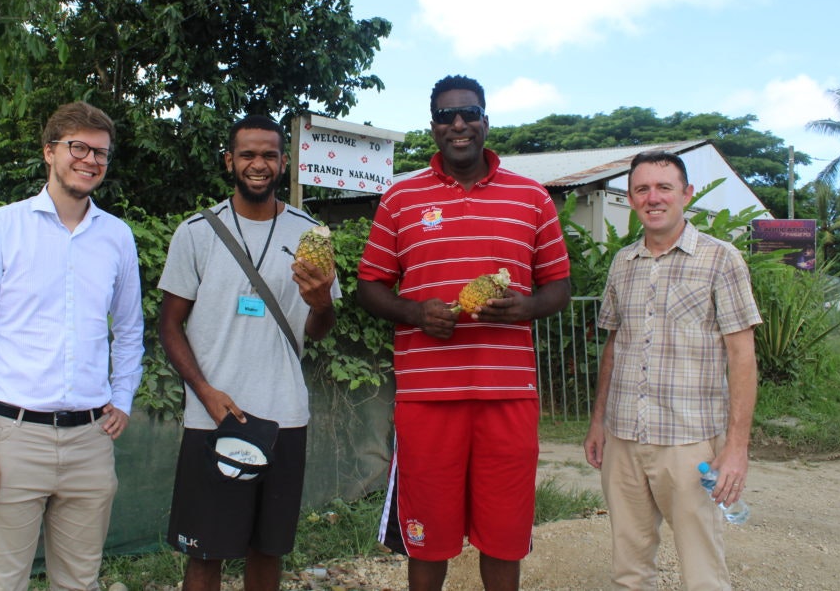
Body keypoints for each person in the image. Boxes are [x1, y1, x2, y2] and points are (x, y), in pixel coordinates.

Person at [356, 75, 572, 591]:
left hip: (508, 395)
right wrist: (415, 313)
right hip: (427, 397)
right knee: (427, 538)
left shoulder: (532, 197)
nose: (458, 124)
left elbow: (560, 287)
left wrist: (524, 307)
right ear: (433, 127)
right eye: (446, 116)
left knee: (504, 537)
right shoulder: (401, 198)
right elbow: (369, 286)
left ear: (485, 122)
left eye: (469, 113)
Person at [0, 101, 145, 590]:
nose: (90, 160)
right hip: (11, 439)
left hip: (91, 442)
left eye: (101, 153)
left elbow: (130, 329)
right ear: (49, 151)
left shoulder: (116, 237)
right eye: (79, 147)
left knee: (79, 581)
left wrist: (123, 396)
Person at [158, 115, 340, 591]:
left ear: (283, 163)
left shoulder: (311, 235)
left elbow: (319, 329)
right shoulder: (196, 233)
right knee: (205, 553)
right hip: (213, 416)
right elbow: (169, 324)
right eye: (247, 155)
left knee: (267, 549)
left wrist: (322, 304)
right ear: (229, 161)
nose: (258, 164)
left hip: (283, 416)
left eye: (269, 155)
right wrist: (204, 392)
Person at [582, 150, 762, 590]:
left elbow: (742, 355)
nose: (653, 198)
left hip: (689, 442)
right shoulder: (623, 263)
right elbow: (615, 345)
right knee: (629, 569)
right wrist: (598, 421)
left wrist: (736, 448)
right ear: (631, 198)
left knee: (702, 572)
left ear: (687, 194)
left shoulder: (721, 259)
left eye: (664, 187)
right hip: (624, 436)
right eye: (642, 189)